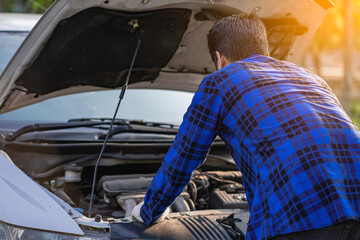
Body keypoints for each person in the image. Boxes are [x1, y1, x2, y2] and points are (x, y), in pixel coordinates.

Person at [132, 13, 360, 240]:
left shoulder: (219, 81)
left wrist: (148, 210)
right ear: (264, 50)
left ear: (219, 59)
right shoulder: (311, 78)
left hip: (303, 217)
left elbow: (184, 156)